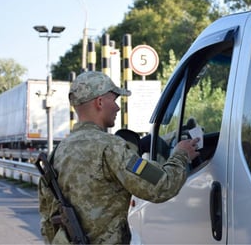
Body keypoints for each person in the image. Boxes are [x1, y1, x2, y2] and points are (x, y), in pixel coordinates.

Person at [38, 71, 200, 244]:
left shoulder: (58, 152)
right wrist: (181, 155)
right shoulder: (111, 147)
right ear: (100, 102)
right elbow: (162, 185)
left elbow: (48, 221)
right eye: (114, 100)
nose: (117, 107)